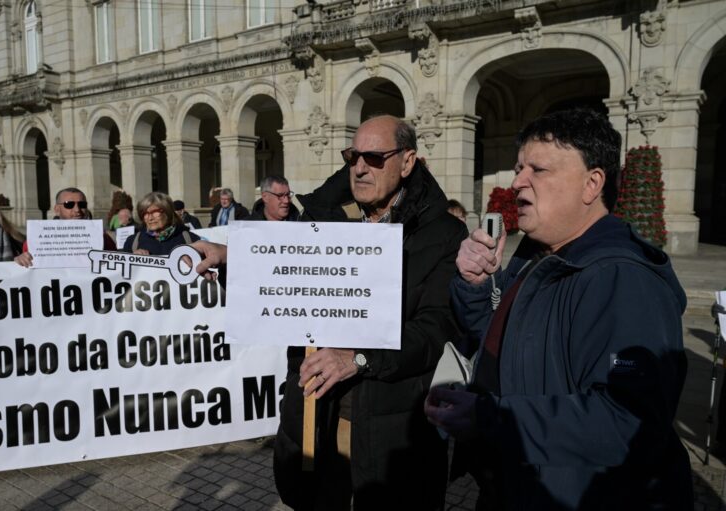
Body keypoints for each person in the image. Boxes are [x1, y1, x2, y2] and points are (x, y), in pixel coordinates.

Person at [425, 109, 693, 510]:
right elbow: (499, 339)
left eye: (538, 169)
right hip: (512, 487)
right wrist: (475, 285)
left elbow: (627, 423)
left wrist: (490, 418)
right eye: (519, 168)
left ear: (592, 184)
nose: (517, 181)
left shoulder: (622, 278)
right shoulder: (538, 255)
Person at [263, 115, 465, 510]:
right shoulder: (321, 218)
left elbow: (435, 329)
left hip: (393, 432)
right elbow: (276, 271)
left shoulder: (443, 233)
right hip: (317, 420)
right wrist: (227, 260)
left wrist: (358, 357)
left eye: (373, 157)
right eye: (352, 156)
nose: (359, 167)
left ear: (407, 162)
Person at [16, 187, 117, 266]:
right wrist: (20, 260)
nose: (77, 210)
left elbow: (117, 263)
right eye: (69, 205)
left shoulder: (102, 236)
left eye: (82, 204)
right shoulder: (37, 239)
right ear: (57, 209)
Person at [123, 192, 200, 256]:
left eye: (154, 212)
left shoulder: (190, 239)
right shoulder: (133, 242)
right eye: (145, 213)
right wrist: (132, 259)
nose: (150, 218)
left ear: (168, 212)